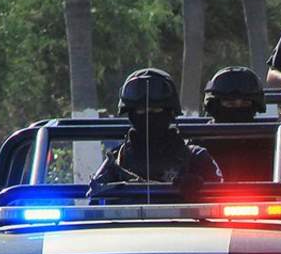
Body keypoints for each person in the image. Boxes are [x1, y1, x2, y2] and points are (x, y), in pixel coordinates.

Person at [91, 67, 221, 188]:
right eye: (141, 110)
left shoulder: (196, 157)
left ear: (170, 112)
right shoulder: (118, 159)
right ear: (131, 114)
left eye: (156, 109)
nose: (148, 115)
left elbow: (220, 198)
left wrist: (200, 188)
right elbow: (96, 202)